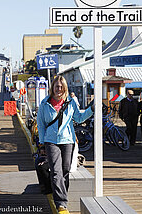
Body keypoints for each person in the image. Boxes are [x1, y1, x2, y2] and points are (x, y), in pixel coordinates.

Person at [37, 76, 94, 214]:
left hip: (67, 140)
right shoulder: (45, 104)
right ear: (52, 88)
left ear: (65, 88)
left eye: (61, 87)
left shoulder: (70, 102)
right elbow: (41, 124)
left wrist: (92, 109)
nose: (59, 89)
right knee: (56, 172)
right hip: (51, 141)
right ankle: (61, 203)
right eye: (56, 86)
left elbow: (79, 118)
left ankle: (62, 195)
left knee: (65, 170)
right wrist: (42, 143)